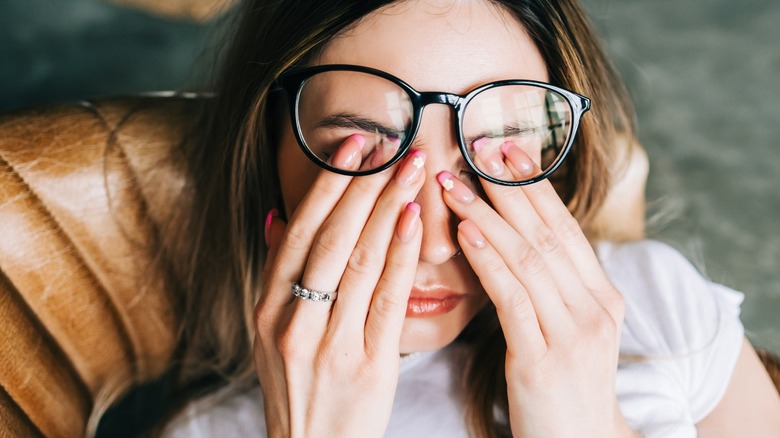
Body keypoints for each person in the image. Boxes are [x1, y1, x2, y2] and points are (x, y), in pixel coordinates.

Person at [158, 0, 780, 436]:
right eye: (366, 155)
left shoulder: (659, 307)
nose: (433, 243)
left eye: (498, 149)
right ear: (266, 150)